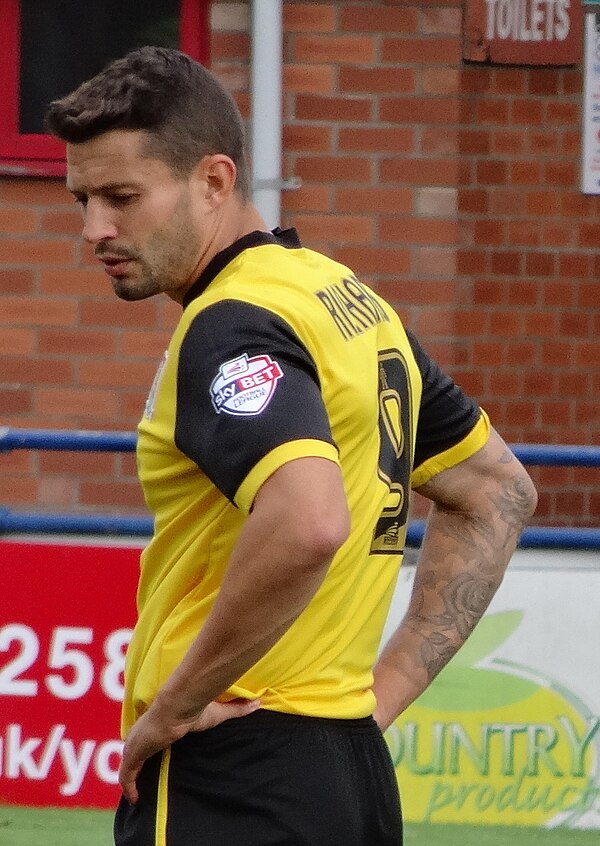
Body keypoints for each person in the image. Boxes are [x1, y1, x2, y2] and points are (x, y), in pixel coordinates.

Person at [46, 46, 537, 846]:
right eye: (82, 198)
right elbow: (499, 492)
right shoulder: (347, 299)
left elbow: (308, 522)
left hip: (233, 772)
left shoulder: (229, 322)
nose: (95, 227)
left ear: (214, 181)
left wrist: (168, 708)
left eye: (121, 196)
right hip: (349, 772)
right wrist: (381, 696)